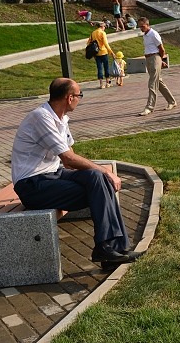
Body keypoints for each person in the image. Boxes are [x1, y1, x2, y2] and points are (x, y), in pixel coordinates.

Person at [11, 78, 139, 265]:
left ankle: (115, 248)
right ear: (69, 98)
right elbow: (68, 159)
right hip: (32, 185)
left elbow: (70, 159)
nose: (80, 98)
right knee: (101, 183)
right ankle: (106, 248)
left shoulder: (61, 119)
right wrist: (106, 171)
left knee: (98, 179)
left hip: (53, 174)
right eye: (80, 95)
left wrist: (102, 174)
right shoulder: (41, 118)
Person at [137, 17, 177, 116]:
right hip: (149, 59)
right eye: (140, 27)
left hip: (155, 58)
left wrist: (160, 60)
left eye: (143, 26)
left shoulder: (153, 34)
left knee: (152, 83)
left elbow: (161, 49)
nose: (141, 28)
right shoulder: (145, 35)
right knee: (158, 82)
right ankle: (172, 101)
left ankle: (149, 107)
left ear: (147, 25)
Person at [88, 21, 116, 88]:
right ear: (101, 27)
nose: (105, 28)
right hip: (104, 52)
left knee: (99, 68)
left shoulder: (93, 33)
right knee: (106, 67)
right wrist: (111, 52)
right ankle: (107, 83)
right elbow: (106, 44)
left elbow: (89, 42)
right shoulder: (102, 33)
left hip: (96, 53)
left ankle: (101, 84)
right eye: (104, 27)